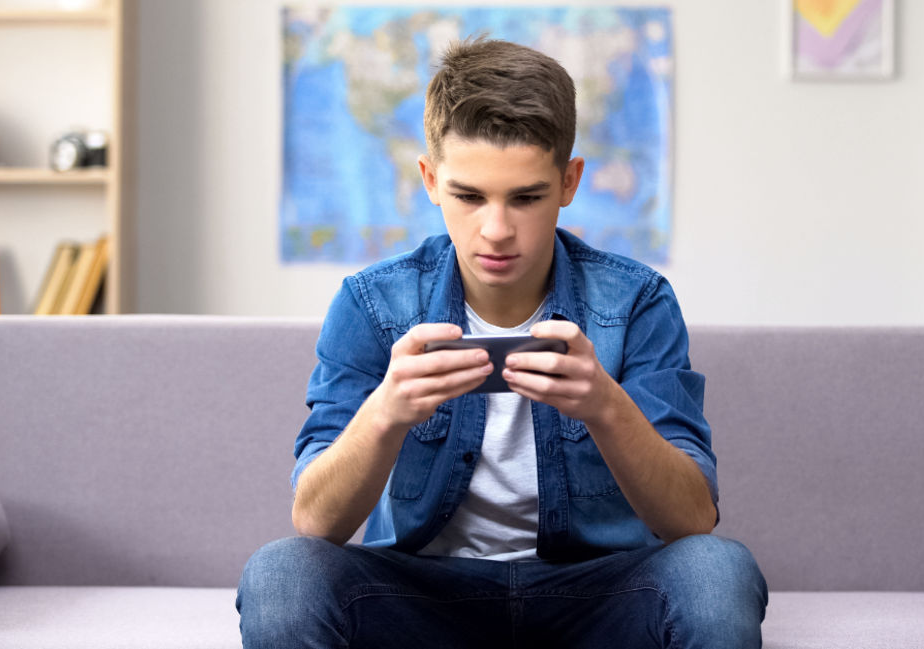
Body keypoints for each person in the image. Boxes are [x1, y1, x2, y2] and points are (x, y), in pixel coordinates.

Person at [237, 37, 767, 648]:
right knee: (281, 572)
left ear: (569, 182)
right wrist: (385, 412)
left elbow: (693, 522)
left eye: (526, 197)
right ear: (430, 180)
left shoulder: (637, 301)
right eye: (468, 196)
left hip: (594, 597)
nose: (495, 230)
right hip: (425, 597)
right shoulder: (373, 304)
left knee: (719, 569)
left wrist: (605, 405)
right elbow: (314, 521)